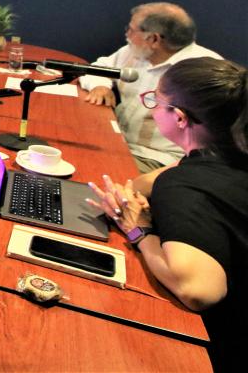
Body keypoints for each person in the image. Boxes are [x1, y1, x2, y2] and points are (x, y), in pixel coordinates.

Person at [87, 57, 247, 372]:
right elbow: (146, 181)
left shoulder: (187, 189)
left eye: (156, 102)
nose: (150, 109)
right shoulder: (230, 155)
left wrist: (138, 230)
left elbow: (200, 290)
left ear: (180, 117)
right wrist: (132, 192)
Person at [80, 2, 221, 175]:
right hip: (115, 140)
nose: (127, 34)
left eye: (131, 30)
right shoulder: (137, 51)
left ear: (153, 39)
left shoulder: (201, 71)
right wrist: (100, 86)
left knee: (85, 172)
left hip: (157, 159)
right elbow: (97, 68)